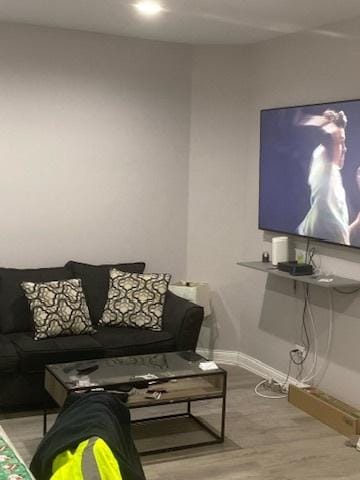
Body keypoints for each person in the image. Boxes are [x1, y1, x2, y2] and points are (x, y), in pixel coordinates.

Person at [297, 109, 360, 245]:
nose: (344, 148)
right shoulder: (323, 162)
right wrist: (301, 117)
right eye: (340, 141)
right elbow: (331, 133)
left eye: (343, 141)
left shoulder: (335, 180)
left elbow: (338, 237)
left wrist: (358, 222)